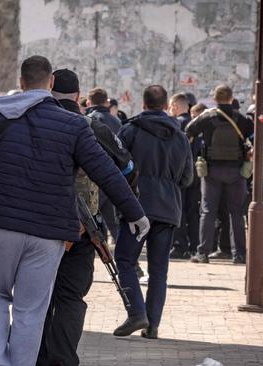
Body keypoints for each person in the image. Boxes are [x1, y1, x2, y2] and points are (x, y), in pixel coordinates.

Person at [0, 56, 148, 366]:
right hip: (49, 233)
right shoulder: (75, 125)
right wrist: (136, 213)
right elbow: (106, 170)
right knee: (31, 309)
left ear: (21, 82)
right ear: (50, 82)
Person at [37, 69, 138, 366]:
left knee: (36, 297)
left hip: (36, 226)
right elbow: (128, 171)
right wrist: (101, 202)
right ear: (79, 96)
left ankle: (36, 357)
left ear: (49, 89)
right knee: (70, 297)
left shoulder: (32, 122)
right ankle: (61, 360)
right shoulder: (92, 127)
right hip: (80, 227)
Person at [113, 85, 193, 339]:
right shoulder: (180, 137)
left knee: (125, 260)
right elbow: (187, 178)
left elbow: (116, 166)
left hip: (136, 206)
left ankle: (136, 312)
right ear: (165, 104)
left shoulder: (131, 131)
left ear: (144, 104)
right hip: (168, 208)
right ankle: (152, 324)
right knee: (159, 269)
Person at [186, 85, 254, 264]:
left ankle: (203, 253)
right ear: (232, 99)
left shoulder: (208, 116)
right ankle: (239, 254)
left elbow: (189, 130)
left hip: (211, 171)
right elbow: (252, 134)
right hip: (236, 171)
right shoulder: (241, 119)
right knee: (236, 213)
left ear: (215, 99)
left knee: (208, 211)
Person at [86, 87, 124, 242]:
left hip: (95, 176)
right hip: (115, 175)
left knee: (91, 216)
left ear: (88, 102)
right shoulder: (117, 121)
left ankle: (94, 248)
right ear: (107, 102)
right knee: (113, 221)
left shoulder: (89, 119)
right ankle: (128, 258)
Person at [169, 93, 200, 259]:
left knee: (179, 210)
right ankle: (195, 245)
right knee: (193, 211)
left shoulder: (177, 124)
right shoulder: (195, 123)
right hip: (195, 172)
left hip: (180, 174)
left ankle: (180, 245)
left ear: (175, 105)